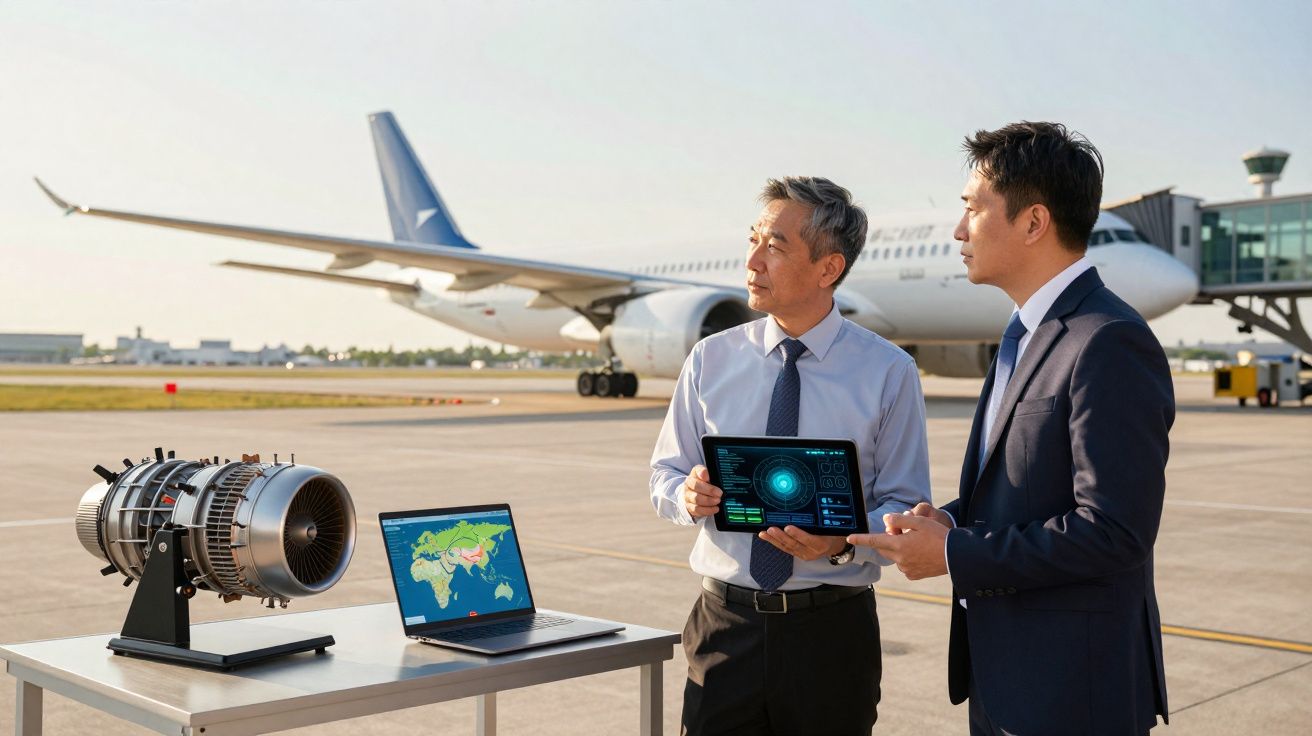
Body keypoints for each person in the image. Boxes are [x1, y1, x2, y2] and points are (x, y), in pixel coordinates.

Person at [849, 122, 1173, 735]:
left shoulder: (1107, 341)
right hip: (1009, 676)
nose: (957, 230)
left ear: (1032, 223)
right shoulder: (1025, 336)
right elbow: (1024, 489)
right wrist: (948, 518)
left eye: (972, 209)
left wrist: (951, 552)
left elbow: (1114, 531)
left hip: (1073, 690)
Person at [650, 176, 931, 735]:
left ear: (828, 268)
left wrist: (841, 541)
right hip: (722, 628)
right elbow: (665, 471)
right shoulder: (710, 359)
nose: (752, 261)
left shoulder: (888, 371)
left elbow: (907, 504)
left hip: (831, 633)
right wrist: (686, 495)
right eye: (753, 239)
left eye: (774, 246)